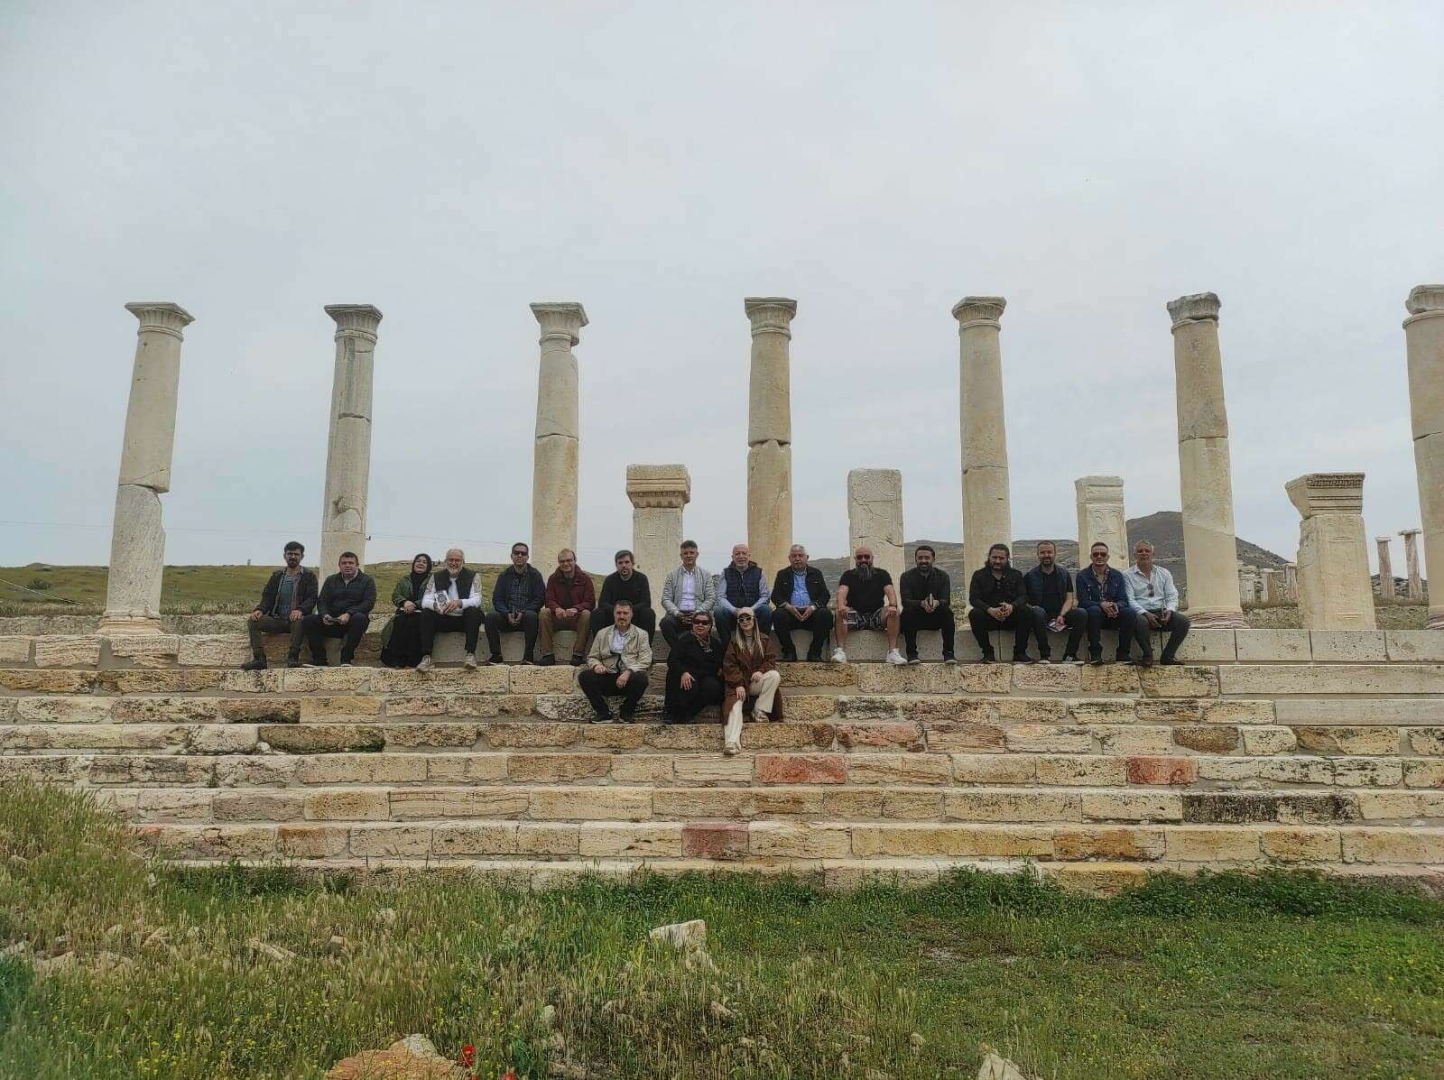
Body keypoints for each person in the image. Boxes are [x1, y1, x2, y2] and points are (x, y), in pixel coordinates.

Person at [243, 540, 318, 670]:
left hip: (296, 620)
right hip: (277, 619)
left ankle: (293, 658)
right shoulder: (277, 576)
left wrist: (300, 610)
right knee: (253, 621)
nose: (293, 557)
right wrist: (260, 610)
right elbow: (267, 596)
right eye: (290, 554)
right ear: (285, 556)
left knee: (299, 620)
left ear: (302, 556)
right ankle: (259, 659)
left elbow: (312, 598)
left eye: (296, 554)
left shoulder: (309, 576)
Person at [720, 608, 783, 755]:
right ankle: (731, 742)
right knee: (733, 706)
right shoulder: (734, 642)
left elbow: (771, 660)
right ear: (738, 623)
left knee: (774, 675)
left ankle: (759, 709)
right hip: (738, 685)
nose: (745, 622)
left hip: (755, 683)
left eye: (748, 618)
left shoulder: (764, 639)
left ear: (754, 619)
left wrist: (761, 671)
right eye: (741, 619)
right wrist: (738, 684)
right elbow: (729, 666)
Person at [579, 599, 652, 723]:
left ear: (631, 614)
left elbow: (645, 660)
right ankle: (603, 713)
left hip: (628, 679)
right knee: (585, 676)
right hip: (607, 675)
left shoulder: (641, 634)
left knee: (641, 679)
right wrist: (597, 665)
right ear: (614, 614)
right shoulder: (602, 633)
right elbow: (592, 657)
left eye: (625, 613)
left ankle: (626, 712)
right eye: (618, 613)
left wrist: (628, 672)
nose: (622, 616)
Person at [832, 546, 906, 665]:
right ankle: (840, 652)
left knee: (894, 611)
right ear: (855, 559)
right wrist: (841, 605)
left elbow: (889, 590)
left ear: (872, 558)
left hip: (876, 616)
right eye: (860, 557)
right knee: (839, 612)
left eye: (866, 557)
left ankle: (892, 652)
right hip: (856, 616)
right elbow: (842, 591)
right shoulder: (848, 575)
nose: (863, 560)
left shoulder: (882, 574)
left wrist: (893, 605)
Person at [1124, 539, 1190, 666]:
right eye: (1140, 551)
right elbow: (1129, 599)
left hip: (1161, 611)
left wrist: (1170, 610)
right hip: (1141, 613)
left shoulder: (1164, 573)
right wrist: (1145, 613)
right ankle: (1147, 656)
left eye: (1147, 551)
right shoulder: (1127, 575)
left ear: (1152, 554)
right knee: (1139, 621)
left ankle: (1168, 656)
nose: (1144, 553)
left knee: (1183, 621)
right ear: (1135, 555)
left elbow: (1172, 595)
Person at [417, 548, 485, 671]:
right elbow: (425, 600)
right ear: (445, 561)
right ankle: (427, 657)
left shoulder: (473, 576)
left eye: (457, 560)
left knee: (473, 611)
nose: (454, 563)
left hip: (464, 620)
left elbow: (477, 599)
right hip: (444, 618)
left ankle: (470, 654)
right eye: (451, 560)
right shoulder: (435, 577)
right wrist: (434, 605)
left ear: (463, 561)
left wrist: (460, 602)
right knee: (426, 613)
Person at [1074, 541, 1142, 665]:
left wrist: (1115, 606)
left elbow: (1123, 600)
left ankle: (1123, 653)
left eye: (1103, 554)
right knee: (1094, 610)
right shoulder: (1082, 576)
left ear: (1107, 557)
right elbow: (1083, 602)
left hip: (1114, 615)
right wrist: (1101, 604)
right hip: (1094, 617)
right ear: (1091, 557)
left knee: (1130, 613)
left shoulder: (1117, 575)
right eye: (1096, 554)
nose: (1099, 557)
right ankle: (1095, 653)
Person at [303, 551, 375, 666]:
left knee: (360, 618)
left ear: (357, 565)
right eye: (344, 563)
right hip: (332, 622)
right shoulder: (331, 580)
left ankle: (346, 659)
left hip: (352, 623)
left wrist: (349, 613)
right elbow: (322, 601)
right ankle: (319, 659)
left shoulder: (367, 581)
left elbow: (368, 603)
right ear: (339, 565)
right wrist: (325, 615)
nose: (347, 565)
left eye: (351, 563)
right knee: (309, 620)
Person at [966, 544, 1035, 663]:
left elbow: (1023, 596)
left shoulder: (1016, 574)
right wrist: (989, 610)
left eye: (1001, 558)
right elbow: (974, 599)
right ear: (989, 557)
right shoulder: (979, 575)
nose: (997, 561)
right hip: (989, 618)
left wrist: (1012, 606)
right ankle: (988, 653)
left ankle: (1020, 653)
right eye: (994, 557)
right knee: (974, 614)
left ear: (1007, 559)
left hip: (1010, 617)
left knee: (1026, 611)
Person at [1023, 540, 1088, 663]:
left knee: (1081, 613)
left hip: (1060, 614)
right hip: (1039, 616)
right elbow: (1024, 601)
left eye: (1049, 552)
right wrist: (1034, 609)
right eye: (1042, 552)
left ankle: (1070, 654)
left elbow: (1069, 598)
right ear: (1038, 555)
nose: (1046, 555)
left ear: (1055, 554)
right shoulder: (1029, 576)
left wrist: (1062, 615)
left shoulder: (1064, 574)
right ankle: (1044, 655)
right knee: (1038, 613)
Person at [771, 544, 833, 662]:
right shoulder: (782, 574)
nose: (797, 558)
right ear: (789, 558)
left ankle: (815, 652)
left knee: (825, 614)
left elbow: (825, 595)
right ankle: (789, 652)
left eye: (800, 555)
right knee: (778, 615)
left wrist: (813, 607)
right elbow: (775, 596)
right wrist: (788, 606)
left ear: (807, 557)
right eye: (794, 556)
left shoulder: (816, 573)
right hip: (791, 615)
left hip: (811, 615)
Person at [485, 541, 545, 663]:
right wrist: (506, 613)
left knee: (532, 616)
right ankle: (496, 655)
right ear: (511, 556)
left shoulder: (535, 575)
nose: (519, 555)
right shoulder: (504, 576)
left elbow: (539, 599)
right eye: (516, 553)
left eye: (523, 553)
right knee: (490, 617)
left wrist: (523, 612)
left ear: (527, 557)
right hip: (507, 617)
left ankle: (528, 656)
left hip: (526, 618)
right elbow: (497, 599)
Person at [898, 544, 956, 665]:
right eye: (920, 558)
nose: (923, 561)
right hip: (915, 619)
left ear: (933, 559)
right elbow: (906, 601)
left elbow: (946, 600)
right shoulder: (906, 577)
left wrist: (937, 603)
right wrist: (921, 603)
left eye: (927, 558)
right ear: (916, 559)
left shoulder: (943, 576)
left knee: (948, 613)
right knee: (907, 613)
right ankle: (911, 654)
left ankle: (949, 653)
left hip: (935, 618)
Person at [662, 610, 724, 723]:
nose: (700, 625)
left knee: (713, 687)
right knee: (690, 684)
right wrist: (683, 672)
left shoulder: (715, 644)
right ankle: (674, 713)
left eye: (704, 622)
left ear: (710, 625)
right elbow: (672, 660)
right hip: (685, 675)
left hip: (704, 676)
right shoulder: (684, 640)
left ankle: (688, 713)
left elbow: (718, 663)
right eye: (697, 622)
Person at [538, 548, 595, 667]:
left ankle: (578, 654)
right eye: (562, 561)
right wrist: (556, 608)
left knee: (586, 614)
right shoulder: (553, 578)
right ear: (559, 563)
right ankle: (548, 654)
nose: (566, 564)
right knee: (544, 613)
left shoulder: (585, 579)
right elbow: (549, 599)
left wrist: (576, 609)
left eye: (569, 560)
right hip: (559, 618)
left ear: (575, 561)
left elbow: (590, 602)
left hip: (576, 619)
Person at [379, 553, 432, 669]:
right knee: (399, 622)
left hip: (424, 612)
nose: (421, 564)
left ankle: (412, 662)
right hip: (404, 611)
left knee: (414, 622)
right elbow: (396, 595)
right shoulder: (405, 579)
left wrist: (415, 604)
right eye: (418, 561)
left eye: (424, 562)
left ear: (428, 566)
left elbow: (433, 596)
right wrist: (404, 602)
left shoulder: (432, 580)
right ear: (414, 563)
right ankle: (394, 661)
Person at [659, 540, 717, 646]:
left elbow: (711, 598)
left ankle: (692, 650)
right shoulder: (672, 575)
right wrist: (677, 613)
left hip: (698, 612)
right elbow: (666, 599)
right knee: (665, 623)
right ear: (681, 556)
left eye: (691, 553)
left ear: (697, 554)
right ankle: (678, 650)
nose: (689, 556)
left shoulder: (706, 575)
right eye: (685, 553)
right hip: (678, 614)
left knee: (706, 620)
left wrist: (698, 612)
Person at [713, 543, 772, 643]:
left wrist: (750, 610)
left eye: (744, 553)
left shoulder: (759, 572)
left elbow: (765, 596)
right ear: (732, 557)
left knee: (766, 610)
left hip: (753, 613)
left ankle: (762, 645)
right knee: (719, 611)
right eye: (737, 554)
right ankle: (727, 647)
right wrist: (734, 610)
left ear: (749, 556)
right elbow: (721, 597)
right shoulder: (725, 573)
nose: (741, 556)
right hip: (733, 614)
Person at [596, 549, 655, 639]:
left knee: (648, 613)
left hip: (634, 615)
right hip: (614, 616)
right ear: (616, 565)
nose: (624, 565)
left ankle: (646, 646)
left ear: (632, 563)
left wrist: (629, 611)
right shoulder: (610, 580)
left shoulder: (641, 578)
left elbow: (646, 602)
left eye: (627, 562)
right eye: (620, 563)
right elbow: (602, 602)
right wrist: (617, 611)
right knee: (597, 613)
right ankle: (599, 645)